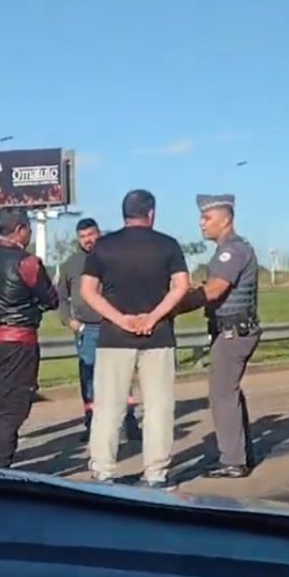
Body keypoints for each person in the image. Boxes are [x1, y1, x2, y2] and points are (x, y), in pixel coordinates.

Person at [81, 189, 190, 489]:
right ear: (151, 213)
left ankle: (103, 471)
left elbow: (88, 290)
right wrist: (153, 317)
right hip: (158, 337)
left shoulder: (103, 247)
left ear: (124, 213)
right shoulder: (168, 246)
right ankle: (155, 473)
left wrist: (120, 319)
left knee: (108, 407)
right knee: (158, 407)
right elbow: (181, 286)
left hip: (114, 337)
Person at [174, 194, 261, 479]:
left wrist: (173, 307)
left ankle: (233, 460)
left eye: (207, 218)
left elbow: (213, 291)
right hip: (231, 330)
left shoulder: (231, 251)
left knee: (222, 394)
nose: (201, 223)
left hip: (233, 331)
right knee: (229, 392)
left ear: (226, 220)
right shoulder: (230, 249)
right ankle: (241, 453)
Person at [0, 208, 60, 468]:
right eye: (28, 229)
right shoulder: (27, 262)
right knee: (13, 408)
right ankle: (0, 468)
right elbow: (51, 298)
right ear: (20, 229)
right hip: (18, 339)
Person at [56, 217, 141, 443]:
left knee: (122, 375)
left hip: (114, 325)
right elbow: (60, 297)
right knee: (90, 379)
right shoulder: (71, 264)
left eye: (91, 235)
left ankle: (128, 422)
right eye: (83, 237)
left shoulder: (114, 257)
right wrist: (70, 321)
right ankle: (92, 422)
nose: (88, 240)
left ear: (99, 233)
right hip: (87, 329)